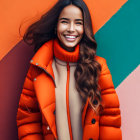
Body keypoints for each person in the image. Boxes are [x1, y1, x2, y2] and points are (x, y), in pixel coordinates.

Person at [16, 0, 122, 140]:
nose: (71, 29)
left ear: (85, 28)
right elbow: (28, 121)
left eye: (78, 23)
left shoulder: (98, 68)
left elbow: (110, 120)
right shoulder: (38, 69)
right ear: (56, 26)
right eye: (65, 21)